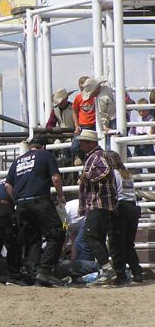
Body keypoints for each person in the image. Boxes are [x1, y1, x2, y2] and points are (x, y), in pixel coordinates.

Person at [5, 138, 65, 287]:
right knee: (56, 233)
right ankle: (45, 271)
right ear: (42, 146)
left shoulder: (17, 161)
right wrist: (60, 195)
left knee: (31, 239)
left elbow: (8, 186)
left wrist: (17, 201)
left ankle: (33, 273)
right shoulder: (45, 155)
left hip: (21, 204)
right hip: (39, 199)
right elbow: (56, 178)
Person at [77, 129, 118, 285]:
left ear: (90, 143)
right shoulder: (97, 156)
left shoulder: (98, 156)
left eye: (83, 142)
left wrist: (86, 176)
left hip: (99, 203)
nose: (81, 145)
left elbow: (104, 170)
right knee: (98, 237)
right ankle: (106, 270)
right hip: (101, 203)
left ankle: (107, 269)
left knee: (90, 235)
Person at [106, 150, 143, 284]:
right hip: (132, 207)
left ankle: (120, 274)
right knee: (128, 244)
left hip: (121, 208)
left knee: (116, 243)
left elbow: (112, 192)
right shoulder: (126, 174)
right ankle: (137, 272)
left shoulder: (113, 174)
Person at [72, 76, 96, 163]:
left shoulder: (94, 97)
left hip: (94, 125)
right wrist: (76, 125)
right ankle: (87, 162)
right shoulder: (78, 98)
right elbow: (74, 111)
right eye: (81, 88)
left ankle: (92, 161)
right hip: (83, 126)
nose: (83, 91)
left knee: (97, 146)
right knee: (75, 147)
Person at [130, 98, 155, 172]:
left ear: (148, 109)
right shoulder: (137, 120)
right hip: (138, 145)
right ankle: (138, 181)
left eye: (143, 110)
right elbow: (131, 132)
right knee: (137, 167)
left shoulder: (152, 120)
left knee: (152, 167)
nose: (141, 113)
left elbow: (151, 133)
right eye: (139, 111)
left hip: (148, 145)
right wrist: (134, 137)